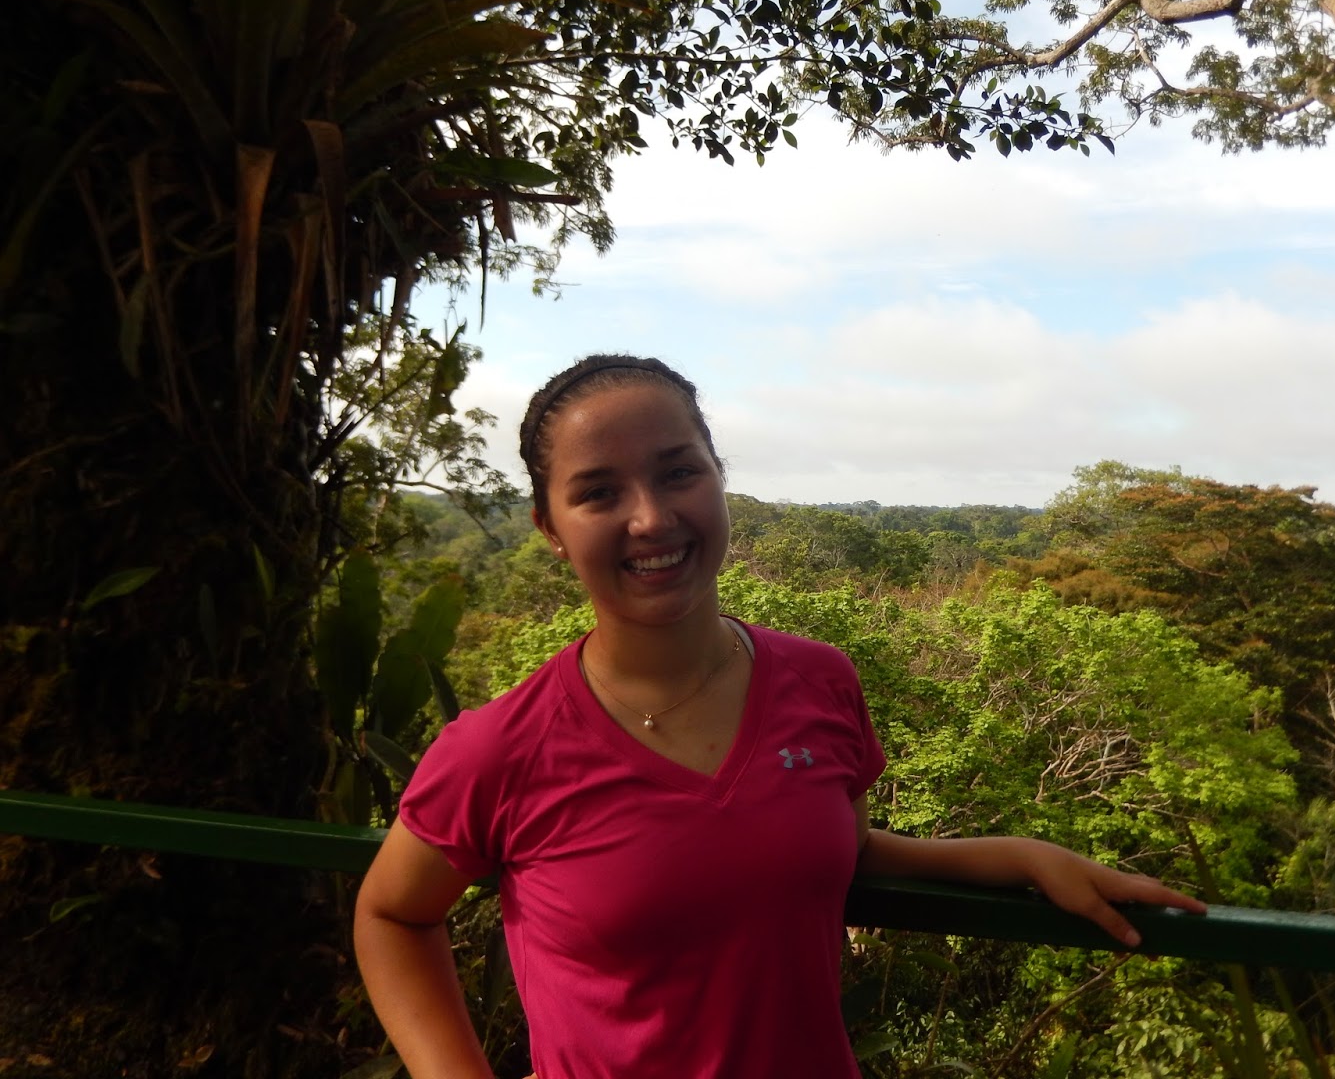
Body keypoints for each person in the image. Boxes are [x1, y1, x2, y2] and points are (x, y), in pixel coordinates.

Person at [353, 353, 1206, 1079]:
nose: (651, 518)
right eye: (600, 492)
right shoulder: (502, 747)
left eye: (678, 472)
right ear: (549, 526)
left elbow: (837, 850)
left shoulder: (819, 680)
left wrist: (1020, 856)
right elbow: (392, 915)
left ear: (719, 477)